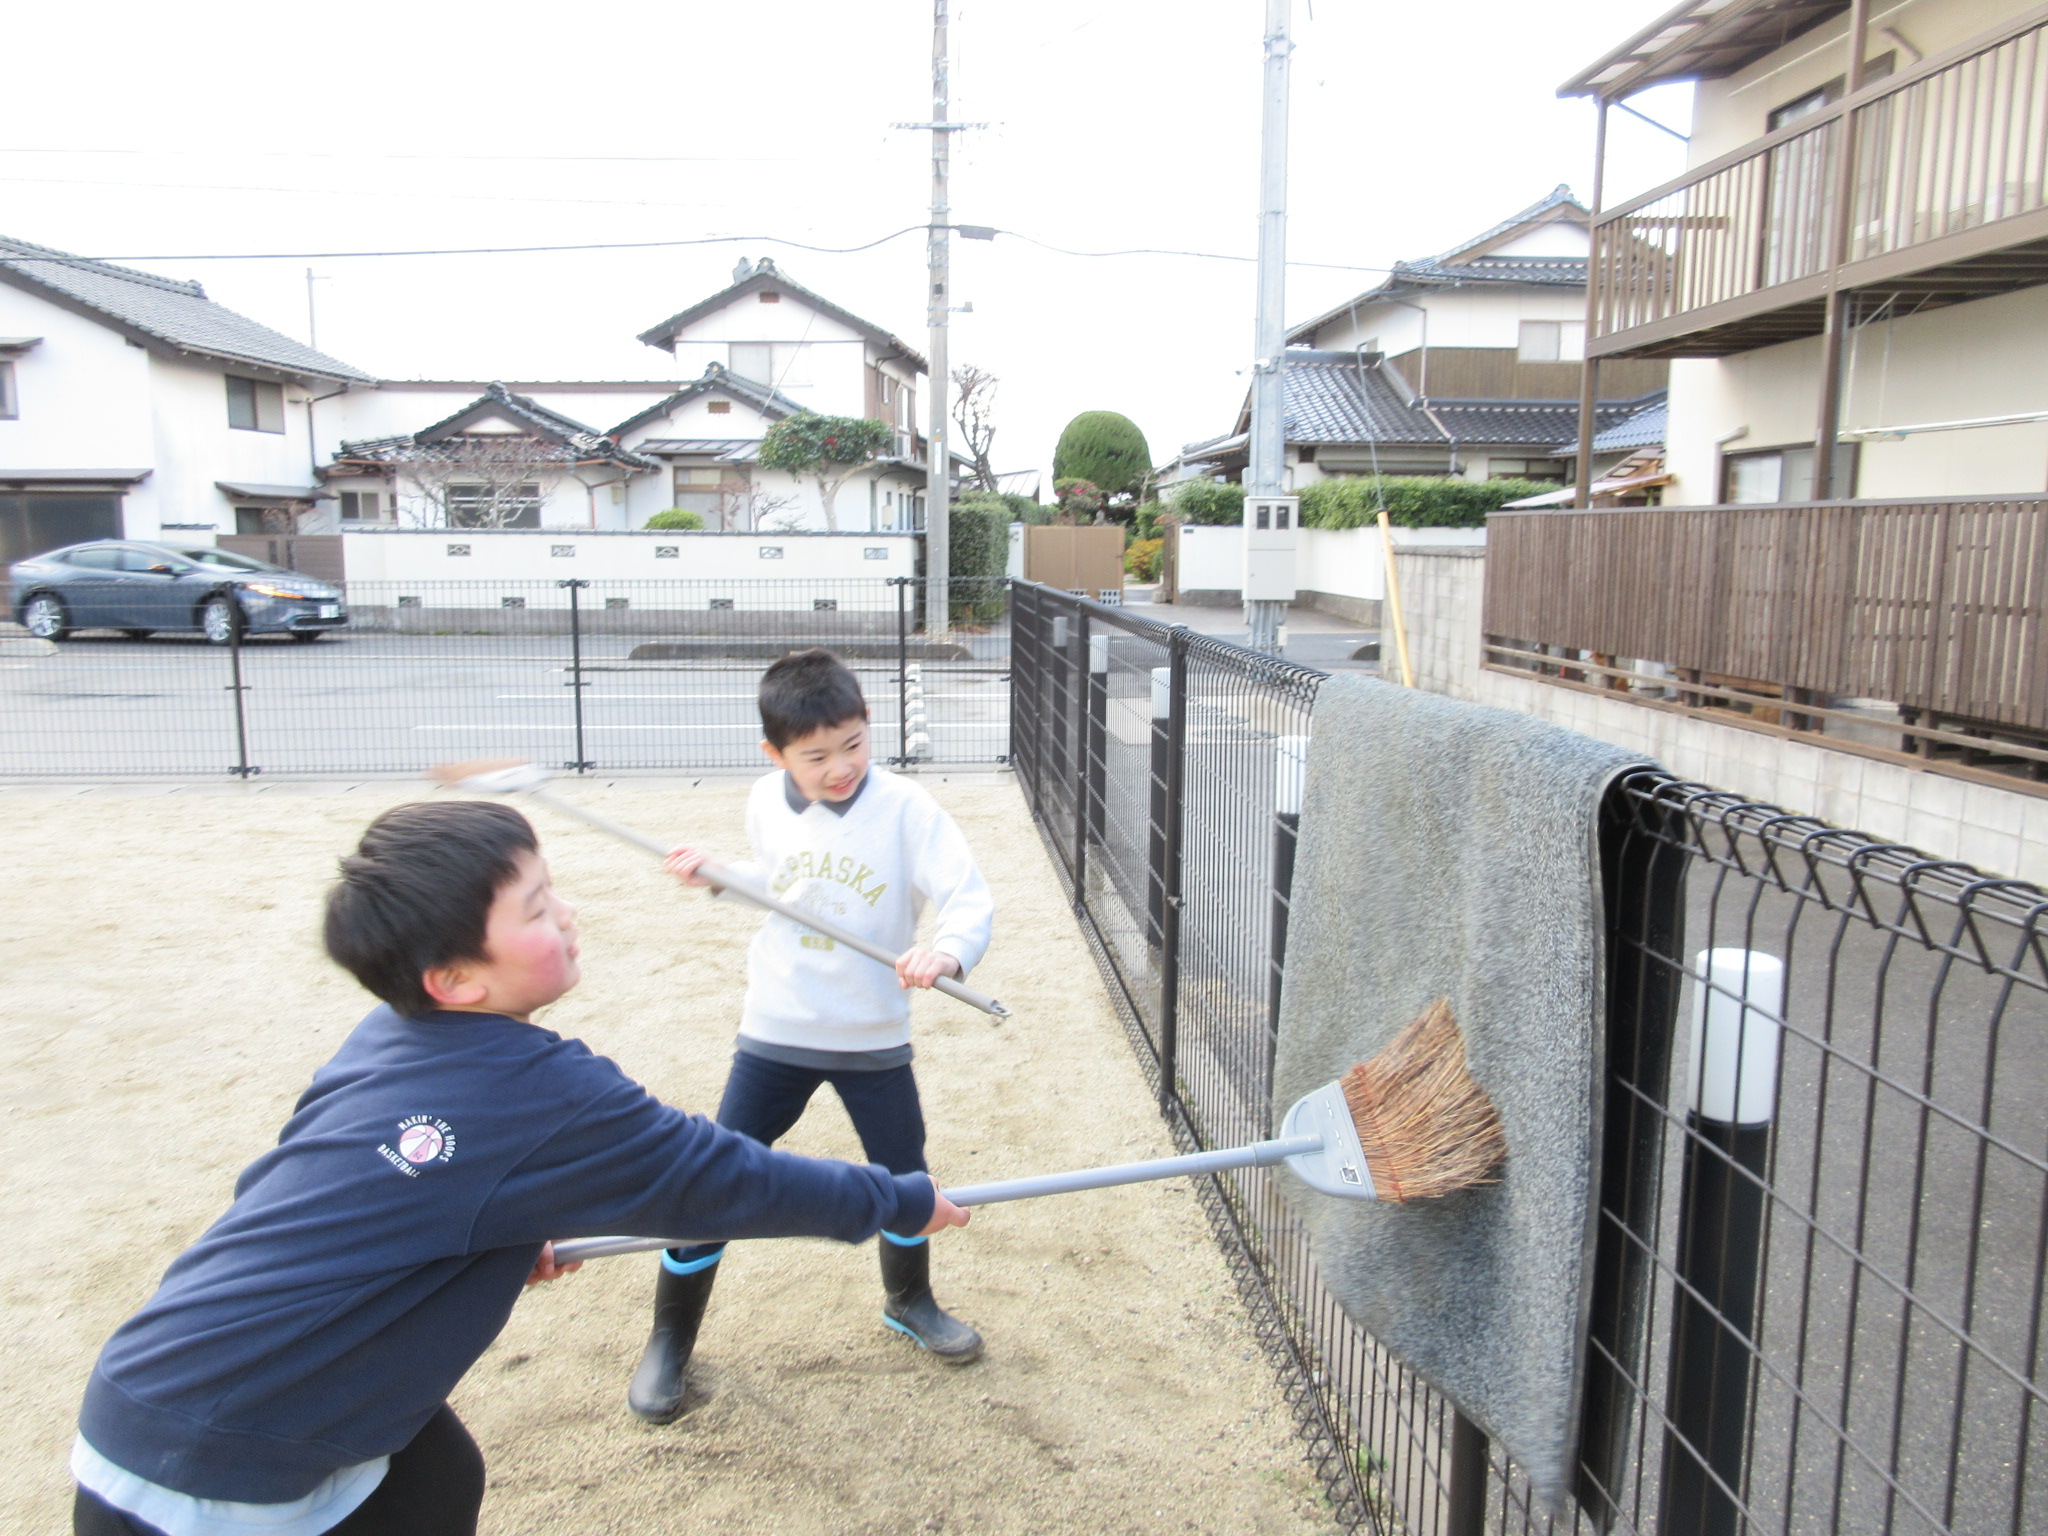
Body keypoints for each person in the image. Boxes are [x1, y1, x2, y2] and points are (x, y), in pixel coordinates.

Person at [70, 799, 966, 1536]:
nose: (567, 913)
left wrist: (488, 1239)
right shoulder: (545, 1091)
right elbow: (721, 1180)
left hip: (141, 1390)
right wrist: (896, 1199)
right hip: (217, 1466)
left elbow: (352, 1192)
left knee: (440, 1475)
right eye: (535, 910)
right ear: (456, 978)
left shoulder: (386, 1036)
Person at [629, 647, 995, 1423]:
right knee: (713, 1176)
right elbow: (787, 886)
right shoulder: (765, 800)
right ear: (776, 754)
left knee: (904, 1174)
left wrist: (948, 952)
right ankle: (670, 1339)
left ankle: (911, 1300)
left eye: (854, 744)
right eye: (817, 756)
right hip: (777, 1029)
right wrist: (721, 874)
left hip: (872, 1037)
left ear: (870, 725)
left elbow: (966, 894)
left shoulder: (906, 808)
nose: (841, 768)